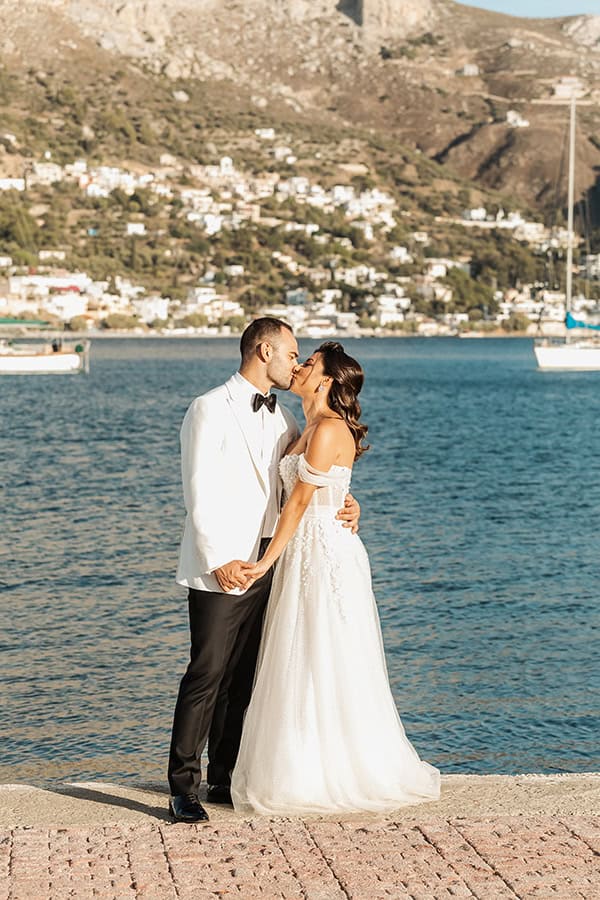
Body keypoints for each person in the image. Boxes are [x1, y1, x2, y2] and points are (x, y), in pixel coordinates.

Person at [231, 342, 440, 814]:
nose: (300, 367)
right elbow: (327, 489)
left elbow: (301, 503)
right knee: (298, 657)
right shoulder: (304, 429)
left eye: (309, 364)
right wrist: (350, 502)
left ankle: (332, 771)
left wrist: (264, 563)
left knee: (327, 655)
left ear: (325, 381)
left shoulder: (327, 430)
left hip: (325, 554)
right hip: (303, 552)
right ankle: (300, 764)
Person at [168, 319, 360, 823]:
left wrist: (348, 501)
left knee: (244, 675)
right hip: (226, 562)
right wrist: (218, 560)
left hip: (272, 562)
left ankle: (223, 777)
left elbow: (306, 485)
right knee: (207, 672)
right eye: (291, 353)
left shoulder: (285, 423)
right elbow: (198, 492)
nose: (296, 363)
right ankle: (181, 787)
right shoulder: (209, 408)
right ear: (264, 349)